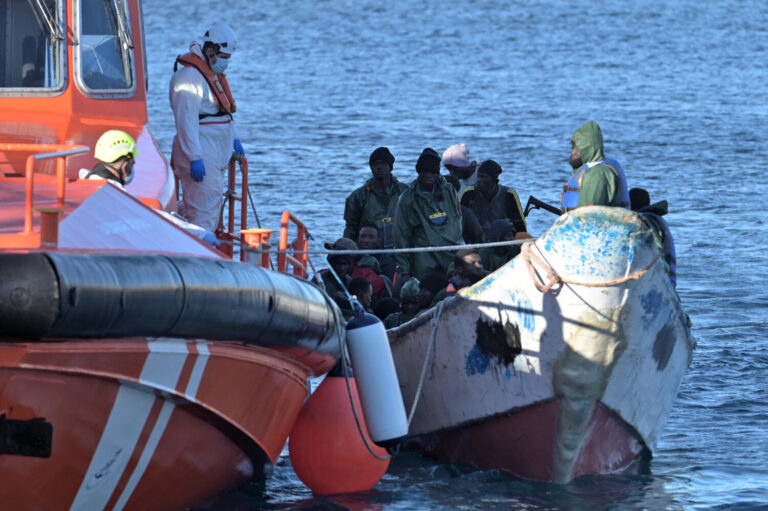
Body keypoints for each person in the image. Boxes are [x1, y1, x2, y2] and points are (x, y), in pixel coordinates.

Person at [79, 130, 220, 246]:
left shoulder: (84, 181)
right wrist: (201, 234)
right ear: (124, 164)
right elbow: (155, 218)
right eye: (132, 163)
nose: (133, 168)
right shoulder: (114, 194)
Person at [170, 23, 244, 231]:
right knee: (204, 214)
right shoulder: (189, 77)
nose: (225, 64)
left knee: (207, 206)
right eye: (224, 58)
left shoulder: (209, 74)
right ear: (211, 50)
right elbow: (186, 120)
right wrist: (195, 157)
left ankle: (179, 226)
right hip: (201, 154)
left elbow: (222, 111)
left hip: (213, 152)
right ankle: (197, 250)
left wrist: (234, 138)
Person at [392, 148, 463, 285]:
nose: (428, 175)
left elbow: (457, 223)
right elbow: (401, 236)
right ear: (419, 172)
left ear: (437, 173)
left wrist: (458, 254)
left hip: (450, 255)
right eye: (424, 171)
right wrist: (405, 271)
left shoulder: (449, 191)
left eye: (432, 171)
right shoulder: (407, 198)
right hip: (423, 258)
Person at [343, 147, 408, 248]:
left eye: (383, 164)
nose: (379, 167)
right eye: (375, 164)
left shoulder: (404, 192)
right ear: (371, 167)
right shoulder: (358, 196)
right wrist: (346, 250)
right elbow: (351, 228)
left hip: (399, 250)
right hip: (368, 252)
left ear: (390, 168)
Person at [561, 121, 629, 213]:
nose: (571, 152)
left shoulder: (598, 173)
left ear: (585, 149)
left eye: (574, 148)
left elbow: (588, 216)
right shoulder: (606, 165)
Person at [459, 159, 527, 240]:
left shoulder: (509, 194)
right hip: (476, 243)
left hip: (502, 244)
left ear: (494, 179)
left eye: (483, 177)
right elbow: (458, 222)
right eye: (478, 176)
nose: (478, 180)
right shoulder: (468, 193)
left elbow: (520, 225)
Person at [630, 188, 677, 287]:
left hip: (661, 280)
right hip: (668, 281)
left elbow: (656, 250)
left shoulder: (645, 221)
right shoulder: (655, 219)